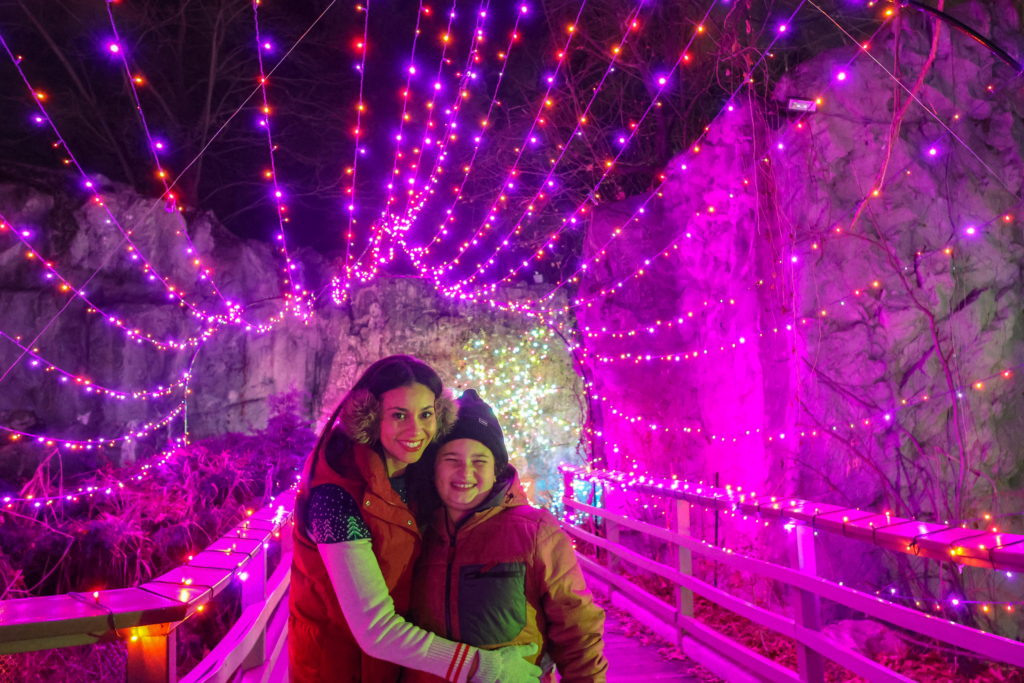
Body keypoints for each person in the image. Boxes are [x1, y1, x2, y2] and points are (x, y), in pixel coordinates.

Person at [289, 356, 542, 683]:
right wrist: (487, 667)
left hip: (397, 663)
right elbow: (375, 630)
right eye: (398, 415)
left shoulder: (416, 474)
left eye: (426, 415)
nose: (415, 430)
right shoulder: (336, 498)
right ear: (370, 418)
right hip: (340, 665)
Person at [404, 389, 608, 683]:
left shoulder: (535, 531)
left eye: (479, 461)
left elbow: (578, 629)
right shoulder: (414, 533)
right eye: (451, 459)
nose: (465, 472)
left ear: (497, 468)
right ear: (433, 467)